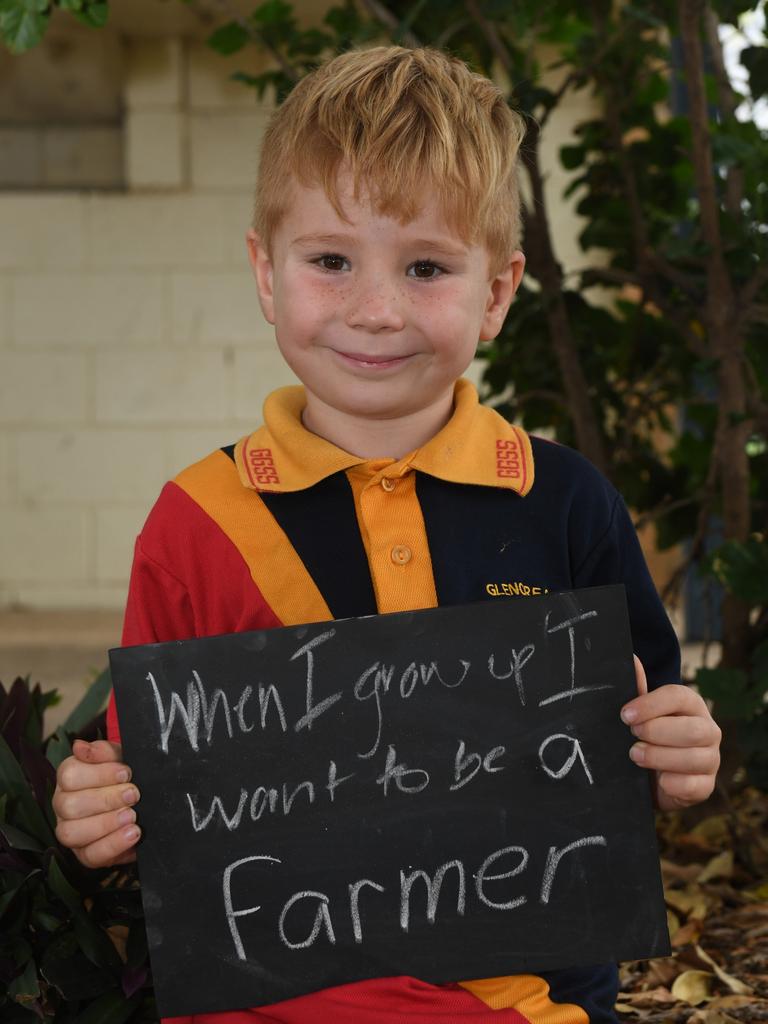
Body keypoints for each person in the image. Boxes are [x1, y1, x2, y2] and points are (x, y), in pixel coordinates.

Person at [53, 45, 721, 1024]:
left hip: (533, 1009)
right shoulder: (199, 521)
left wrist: (682, 753)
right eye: (330, 260)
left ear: (497, 290)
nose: (376, 309)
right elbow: (143, 782)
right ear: (266, 274)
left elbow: (655, 727)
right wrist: (94, 810)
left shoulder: (568, 500)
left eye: (426, 266)